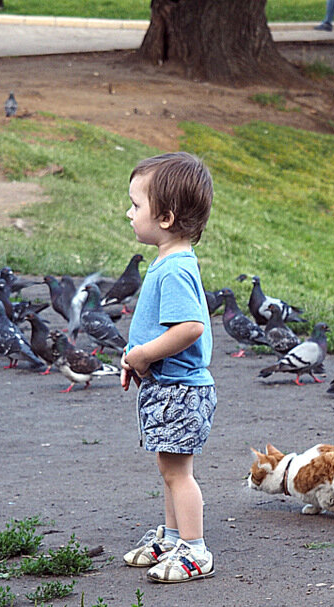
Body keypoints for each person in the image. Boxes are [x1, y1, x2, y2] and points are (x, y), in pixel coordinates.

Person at [120, 152, 218, 584]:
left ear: (165, 217)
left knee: (179, 473)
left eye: (136, 205)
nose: (129, 212)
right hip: (167, 386)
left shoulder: (175, 269)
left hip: (181, 390)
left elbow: (190, 327)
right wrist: (138, 360)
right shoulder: (168, 262)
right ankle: (174, 537)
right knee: (169, 468)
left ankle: (195, 550)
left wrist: (143, 355)